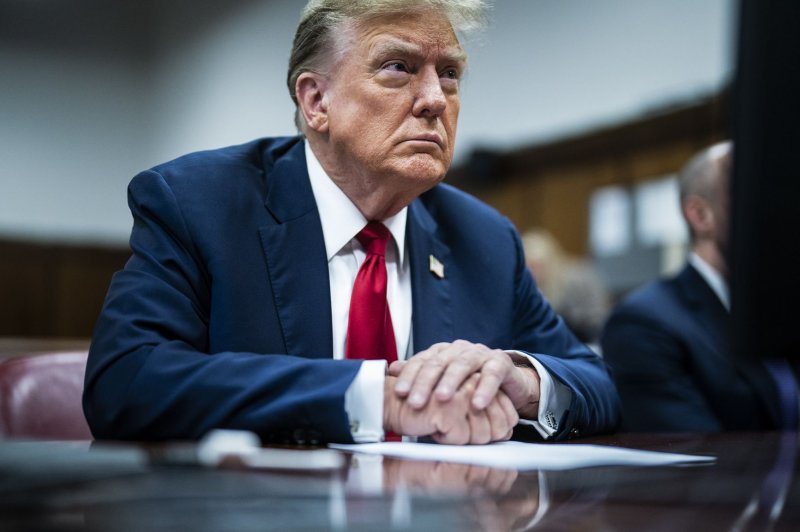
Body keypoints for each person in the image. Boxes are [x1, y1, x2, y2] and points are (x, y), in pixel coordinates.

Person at [83, 0, 619, 445]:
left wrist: (520, 381)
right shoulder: (200, 203)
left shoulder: (484, 239)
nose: (435, 99)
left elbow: (602, 384)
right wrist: (371, 395)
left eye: (449, 73)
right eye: (398, 68)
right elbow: (125, 380)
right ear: (316, 100)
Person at [601, 140, 795, 431]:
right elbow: (700, 458)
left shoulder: (783, 305)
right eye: (753, 197)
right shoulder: (643, 323)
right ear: (700, 215)